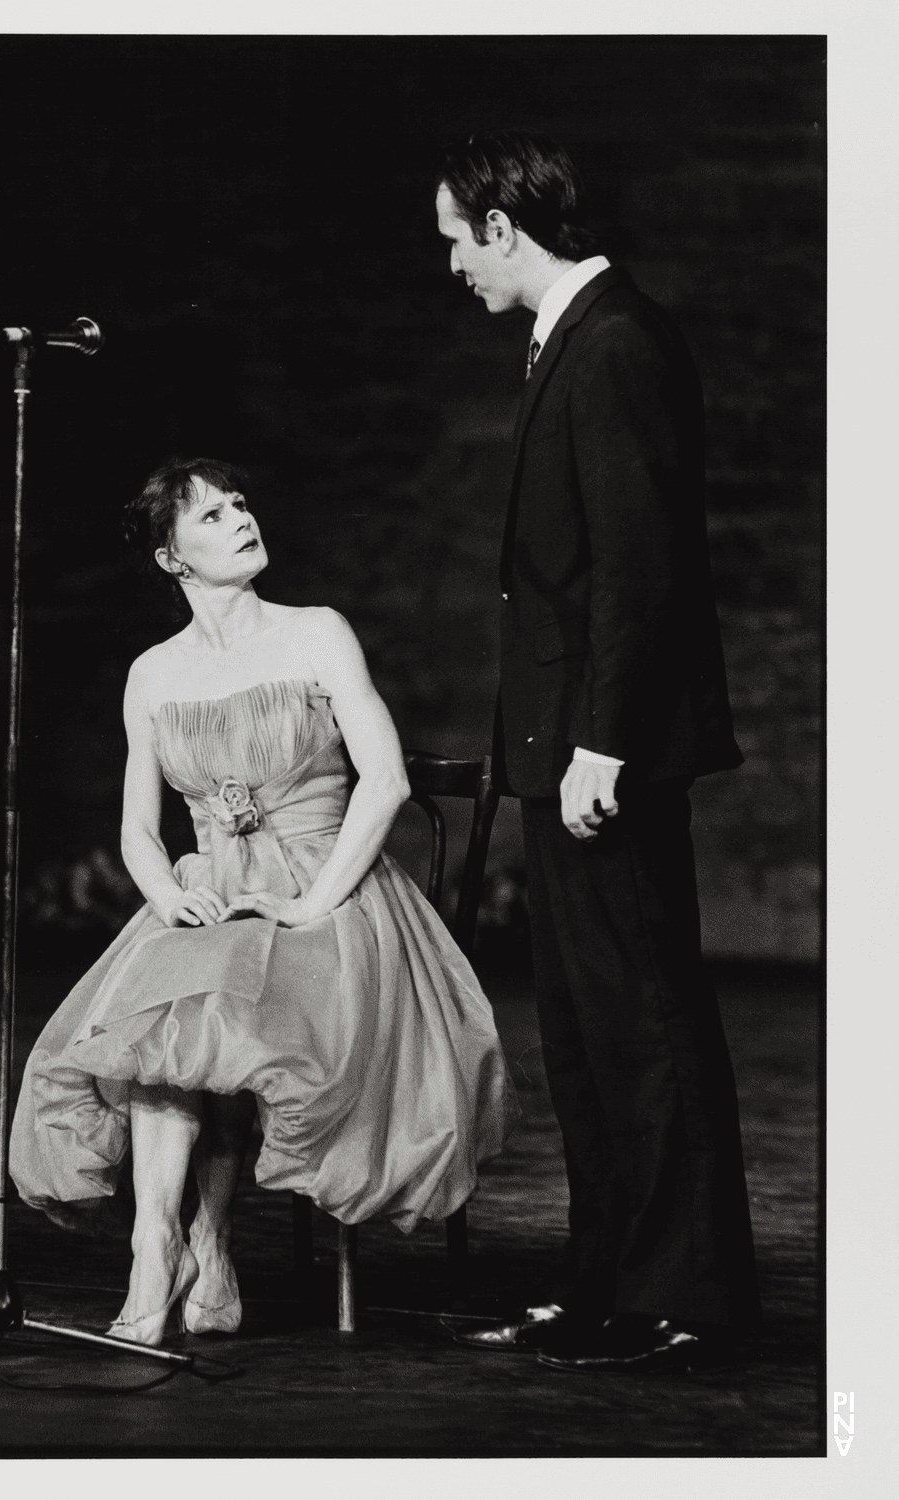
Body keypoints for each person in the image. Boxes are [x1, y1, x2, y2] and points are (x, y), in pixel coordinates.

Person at [9, 456, 516, 1346]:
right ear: (172, 560)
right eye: (209, 517)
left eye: (239, 503)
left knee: (225, 1021)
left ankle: (202, 1237)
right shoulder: (153, 674)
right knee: (162, 1018)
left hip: (333, 891)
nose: (239, 519)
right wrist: (169, 897)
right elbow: (136, 829)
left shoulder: (316, 630)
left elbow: (386, 780)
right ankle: (160, 1244)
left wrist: (311, 900)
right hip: (212, 889)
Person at [435, 131, 761, 1372]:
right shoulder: (577, 336)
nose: (454, 264)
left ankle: (685, 1300)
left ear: (504, 229)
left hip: (595, 753)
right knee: (584, 1034)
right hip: (561, 746)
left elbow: (641, 569)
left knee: (644, 1022)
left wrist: (600, 746)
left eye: (458, 240)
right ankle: (606, 1284)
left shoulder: (615, 342)